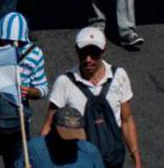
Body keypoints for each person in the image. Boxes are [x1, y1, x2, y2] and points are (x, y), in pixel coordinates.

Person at [43, 27, 141, 168]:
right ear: (77, 50)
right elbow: (49, 124)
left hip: (113, 159)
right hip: (79, 162)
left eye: (94, 54)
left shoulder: (119, 76)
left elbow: (127, 119)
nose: (88, 59)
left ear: (103, 51)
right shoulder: (64, 82)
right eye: (83, 53)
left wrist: (136, 157)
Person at [0, 12, 49, 168]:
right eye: (6, 41)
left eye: (17, 42)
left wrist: (30, 92)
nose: (11, 45)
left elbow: (42, 88)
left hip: (18, 126)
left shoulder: (34, 54)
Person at [23, 106, 106, 168]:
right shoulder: (34, 148)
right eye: (66, 135)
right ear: (53, 128)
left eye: (75, 135)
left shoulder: (90, 151)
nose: (71, 140)